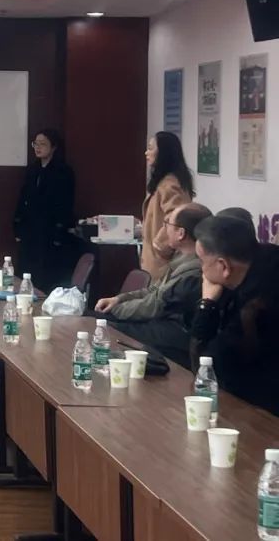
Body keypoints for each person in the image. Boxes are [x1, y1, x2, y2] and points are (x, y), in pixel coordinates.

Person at [95, 202, 211, 369]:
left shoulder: (193, 271)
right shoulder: (180, 258)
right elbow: (154, 290)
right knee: (99, 320)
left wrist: (114, 310)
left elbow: (154, 305)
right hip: (160, 322)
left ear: (181, 233)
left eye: (167, 224)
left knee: (106, 328)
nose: (164, 229)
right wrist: (118, 299)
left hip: (172, 332)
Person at [191, 214, 279, 415]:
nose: (200, 269)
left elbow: (206, 370)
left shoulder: (255, 308)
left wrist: (207, 304)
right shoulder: (267, 258)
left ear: (223, 266)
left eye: (201, 261)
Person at [12, 128, 75, 293]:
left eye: (43, 144)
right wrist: (18, 225)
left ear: (53, 147)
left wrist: (59, 231)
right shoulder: (33, 169)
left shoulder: (63, 171)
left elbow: (65, 204)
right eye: (35, 144)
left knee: (45, 274)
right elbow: (23, 198)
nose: (38, 147)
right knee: (26, 273)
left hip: (49, 232)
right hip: (30, 230)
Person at [140, 131, 194, 278]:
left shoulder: (169, 184)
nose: (146, 153)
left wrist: (160, 245)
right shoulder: (165, 181)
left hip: (163, 263)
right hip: (156, 261)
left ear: (163, 153)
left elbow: (178, 217)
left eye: (150, 148)